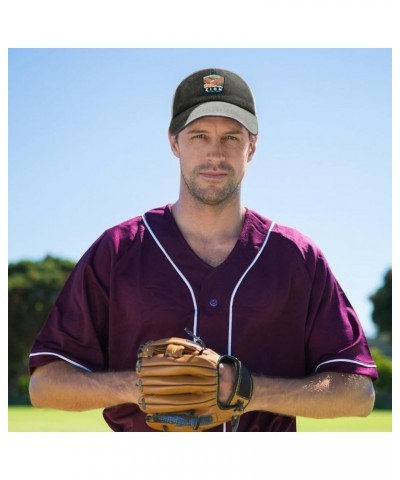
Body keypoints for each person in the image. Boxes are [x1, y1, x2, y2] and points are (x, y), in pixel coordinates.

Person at [28, 68, 378, 432]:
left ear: (251, 147)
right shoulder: (117, 250)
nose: (215, 152)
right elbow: (46, 384)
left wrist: (247, 391)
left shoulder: (296, 257)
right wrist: (139, 386)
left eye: (231, 136)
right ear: (175, 143)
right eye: (199, 136)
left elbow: (357, 393)